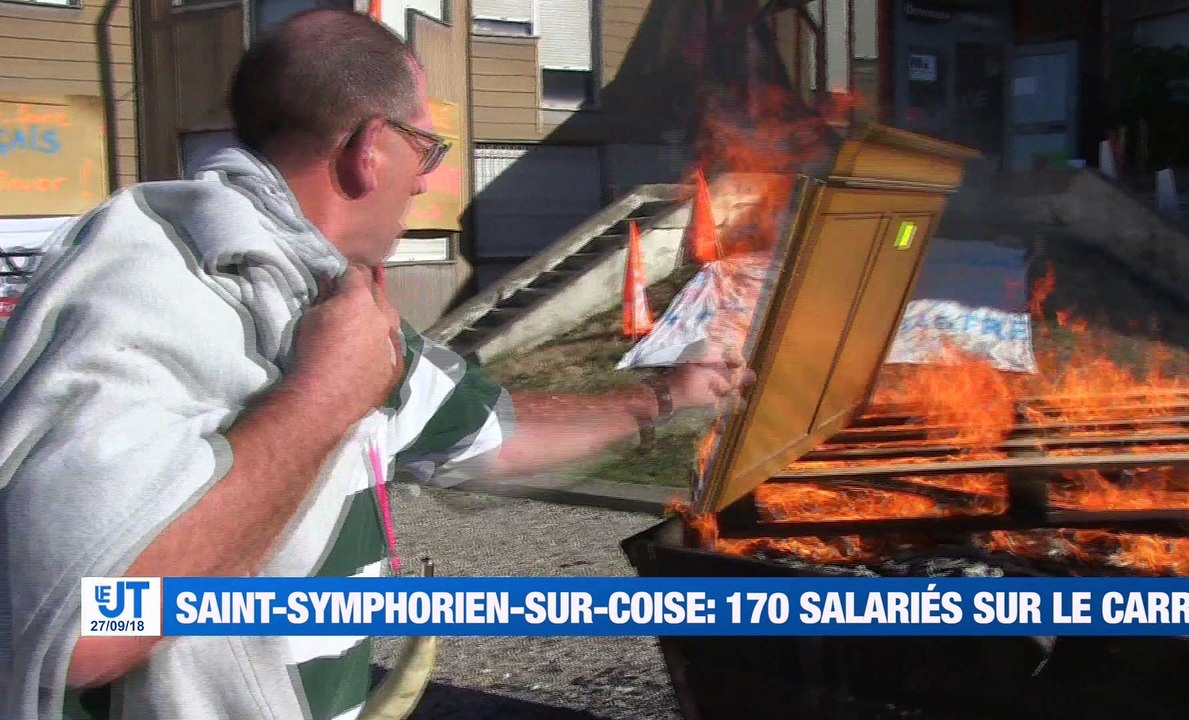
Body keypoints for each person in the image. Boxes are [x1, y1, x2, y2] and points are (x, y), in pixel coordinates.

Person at [0, 9, 750, 720]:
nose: (424, 181)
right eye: (426, 149)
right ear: (371, 149)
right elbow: (85, 629)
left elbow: (491, 434)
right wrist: (327, 395)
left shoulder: (328, 299)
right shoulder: (153, 287)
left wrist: (662, 395)